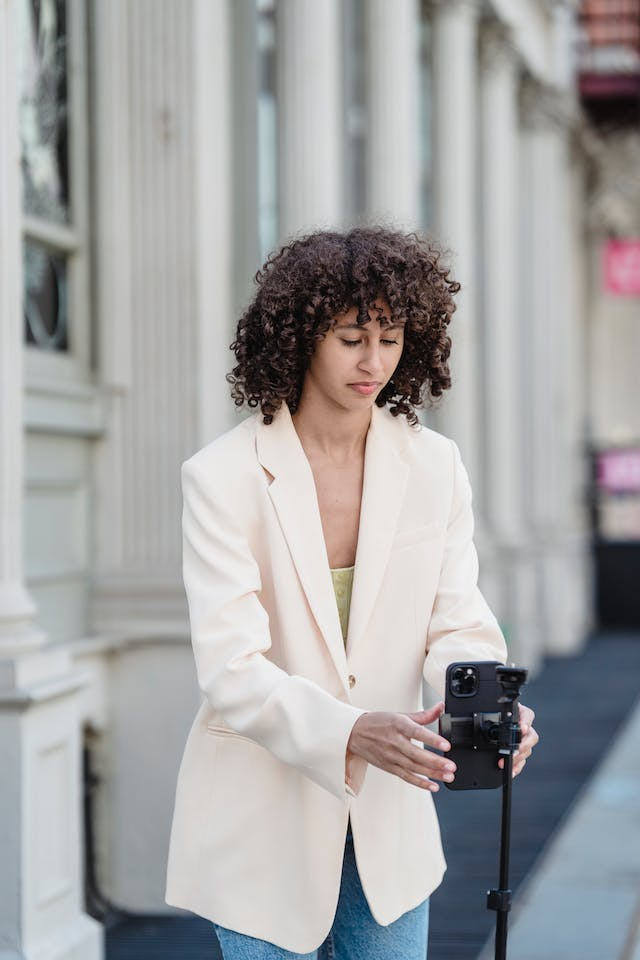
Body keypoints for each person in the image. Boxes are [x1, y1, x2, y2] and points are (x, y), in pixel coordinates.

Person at [165, 227, 538, 959]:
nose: (374, 362)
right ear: (299, 338)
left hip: (390, 829)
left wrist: (486, 705)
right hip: (259, 824)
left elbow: (458, 623)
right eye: (350, 339)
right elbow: (232, 668)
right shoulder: (221, 477)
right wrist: (349, 730)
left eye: (391, 339)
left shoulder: (435, 465)